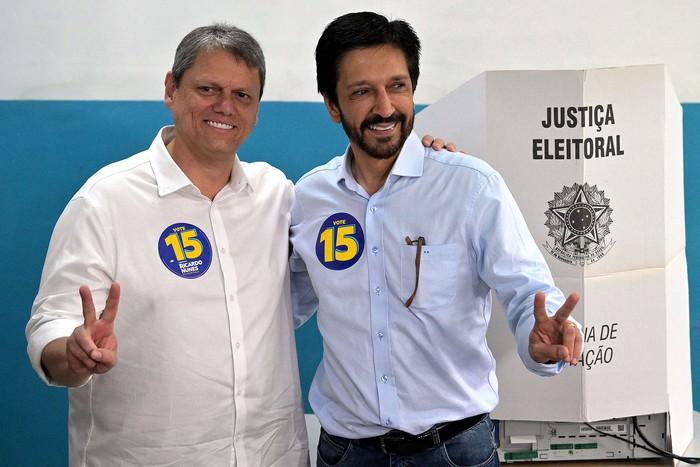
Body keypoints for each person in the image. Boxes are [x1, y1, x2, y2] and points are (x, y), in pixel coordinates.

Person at [289, 11, 583, 466]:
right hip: (346, 453)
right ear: (332, 105)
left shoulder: (469, 186)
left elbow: (528, 291)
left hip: (456, 450)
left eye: (398, 86)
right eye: (362, 91)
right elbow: (277, 308)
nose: (385, 107)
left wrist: (538, 338)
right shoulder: (310, 199)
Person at [25, 24, 310, 466]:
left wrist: (433, 153)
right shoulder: (105, 201)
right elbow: (51, 323)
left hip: (271, 455)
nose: (224, 107)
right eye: (208, 88)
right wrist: (74, 352)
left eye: (242, 96)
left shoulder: (277, 196)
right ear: (170, 89)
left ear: (256, 111)